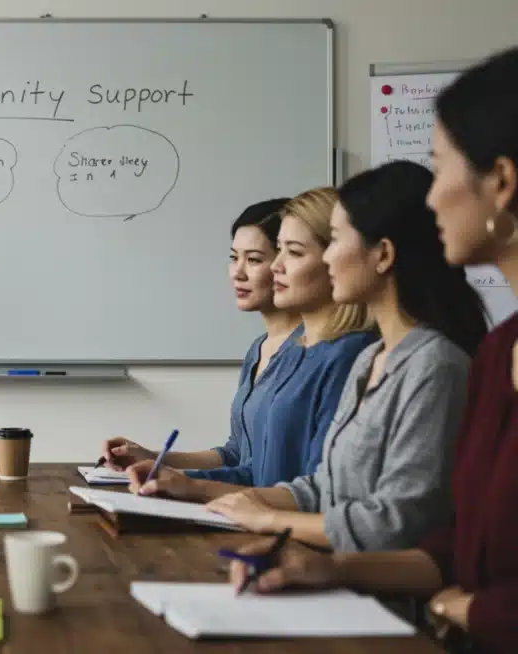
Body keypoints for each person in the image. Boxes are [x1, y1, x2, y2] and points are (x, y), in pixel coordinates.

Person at [226, 46, 518, 654]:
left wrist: (471, 607)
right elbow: (457, 543)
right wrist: (319, 561)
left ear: (502, 182)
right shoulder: (491, 354)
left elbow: (407, 521)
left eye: (441, 168)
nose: (432, 199)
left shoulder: (440, 364)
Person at [206, 160, 487, 552]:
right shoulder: (371, 358)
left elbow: (397, 522)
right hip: (337, 570)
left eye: (335, 241)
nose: (326, 258)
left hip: (371, 583)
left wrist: (268, 518)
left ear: (383, 255)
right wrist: (243, 501)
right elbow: (326, 487)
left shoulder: (434, 365)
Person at [128, 187, 379, 498]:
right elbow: (251, 467)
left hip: (282, 521)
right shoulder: (292, 352)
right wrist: (171, 475)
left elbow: (319, 492)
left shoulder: (349, 354)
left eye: (292, 252)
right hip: (259, 515)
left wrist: (195, 486)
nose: (275, 267)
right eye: (234, 258)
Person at [101, 198, 302, 472]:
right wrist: (151, 457)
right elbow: (235, 454)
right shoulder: (258, 349)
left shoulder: (311, 350)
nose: (238, 273)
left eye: (254, 259)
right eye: (234, 258)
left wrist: (189, 485)